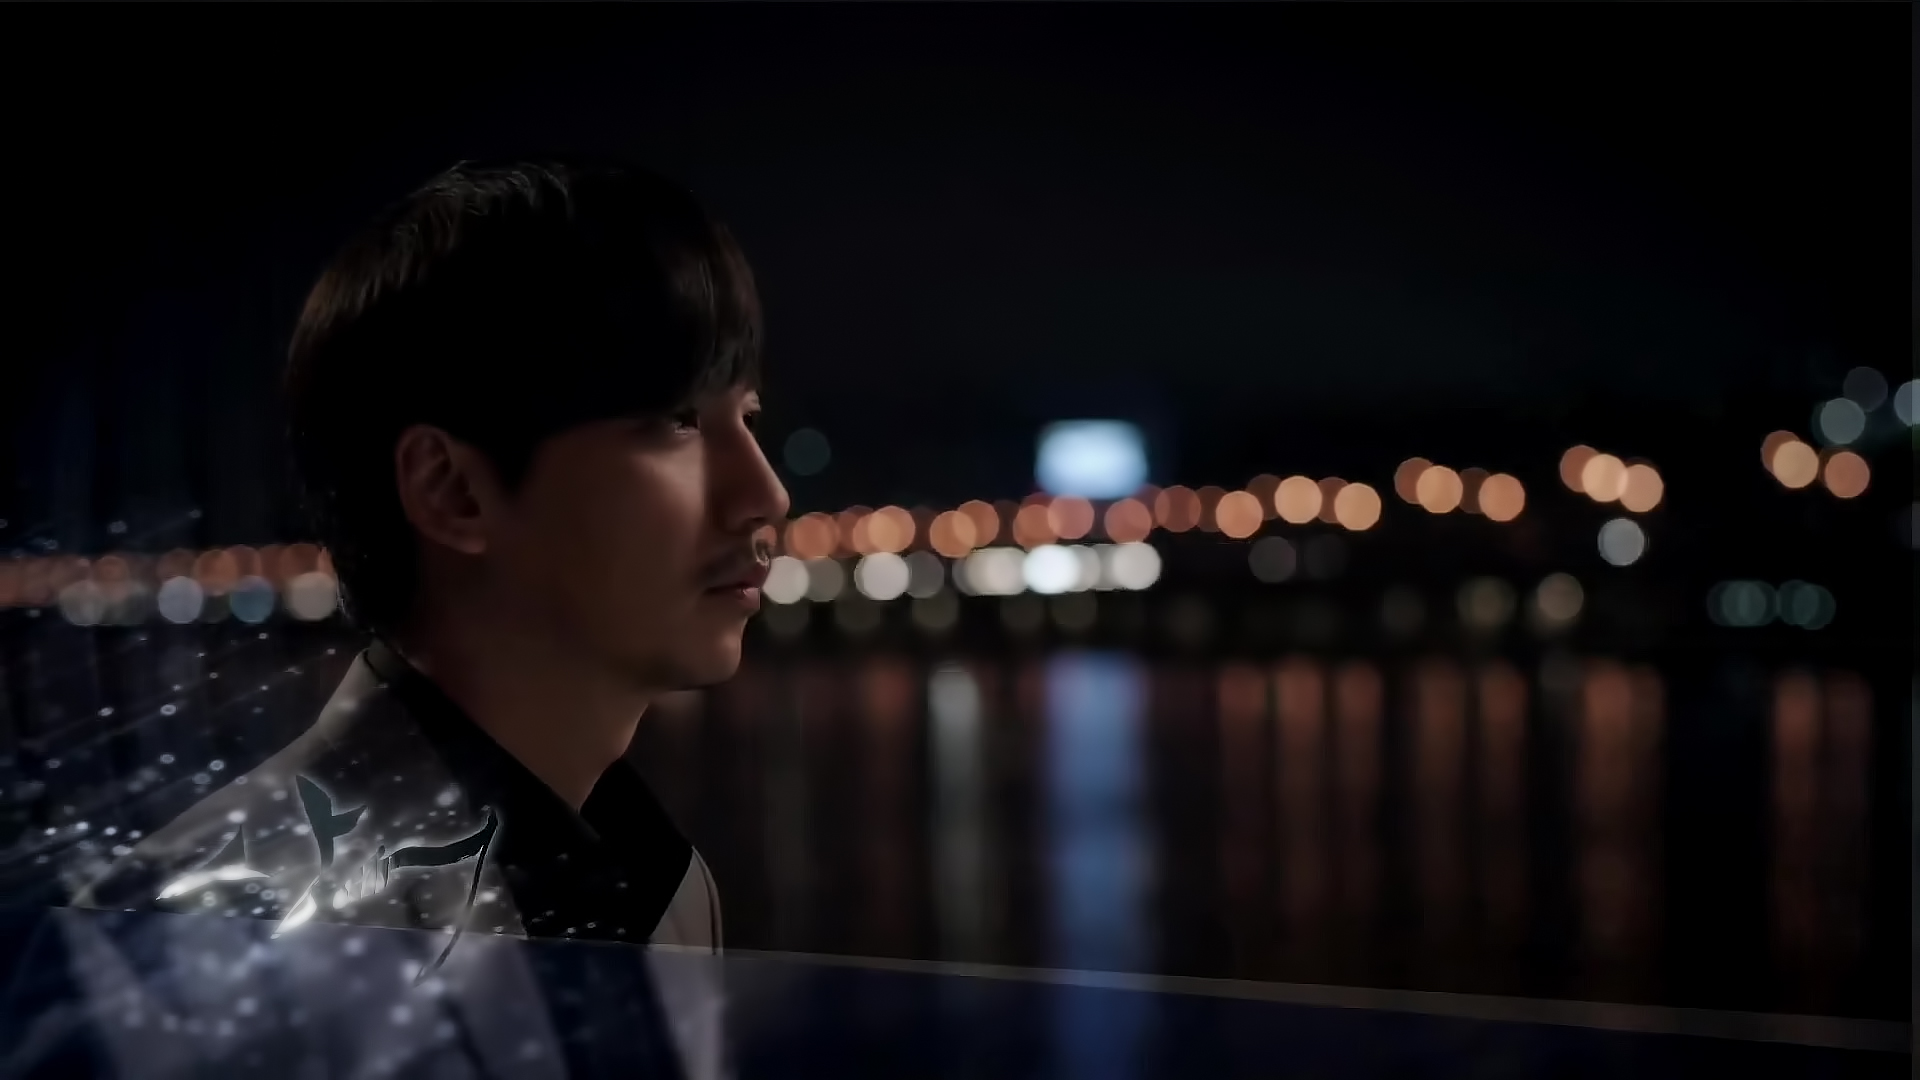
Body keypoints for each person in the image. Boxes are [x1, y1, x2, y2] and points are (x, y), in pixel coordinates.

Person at [66, 158, 789, 1079]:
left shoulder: (666, 891)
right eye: (677, 421)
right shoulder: (190, 944)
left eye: (748, 416)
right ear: (452, 490)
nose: (765, 495)